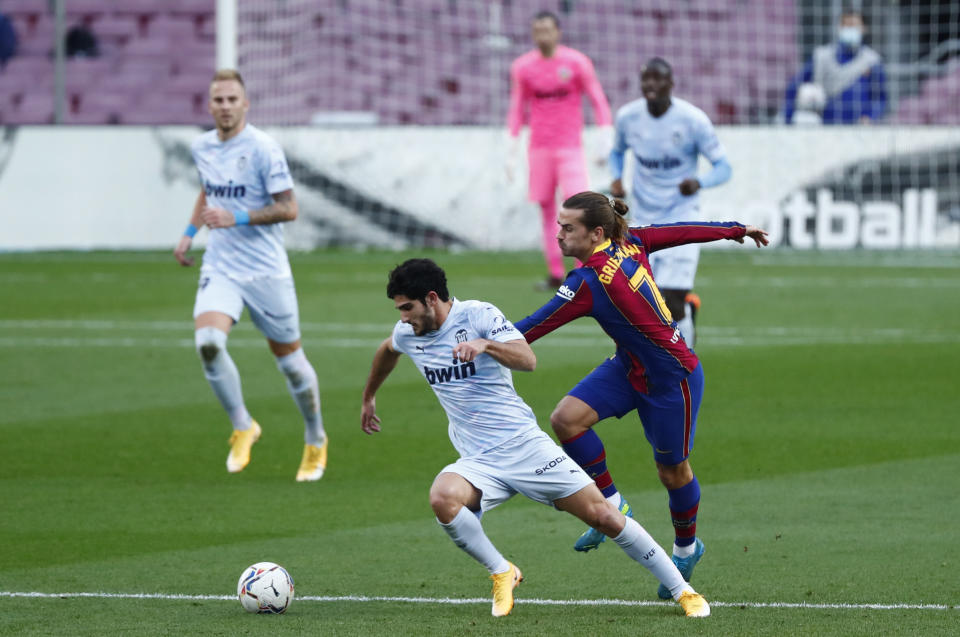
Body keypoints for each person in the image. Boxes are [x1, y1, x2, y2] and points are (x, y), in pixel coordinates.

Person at [360, 258, 710, 618]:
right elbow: (388, 350)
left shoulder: (478, 315)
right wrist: (369, 396)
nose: (403, 317)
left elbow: (527, 359)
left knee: (603, 516)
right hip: (478, 460)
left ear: (432, 298)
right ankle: (502, 571)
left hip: (526, 448)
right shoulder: (408, 333)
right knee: (443, 499)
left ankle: (683, 591)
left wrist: (486, 346)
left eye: (407, 307)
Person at [514, 191, 768, 600]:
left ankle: (686, 548)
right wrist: (735, 230)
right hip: (628, 367)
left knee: (672, 472)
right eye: (558, 225)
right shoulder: (629, 240)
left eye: (567, 228)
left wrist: (478, 339)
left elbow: (530, 328)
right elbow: (683, 231)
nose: (558, 234)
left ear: (596, 233)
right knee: (566, 419)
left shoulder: (589, 281)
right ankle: (612, 506)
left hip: (672, 379)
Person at [173, 69, 328, 482]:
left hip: (265, 271)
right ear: (210, 106)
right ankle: (243, 425)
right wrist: (190, 233)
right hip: (221, 266)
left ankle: (315, 437)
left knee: (292, 365)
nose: (224, 106)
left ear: (245, 104)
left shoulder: (263, 149)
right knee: (207, 342)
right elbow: (209, 189)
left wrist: (235, 217)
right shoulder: (201, 147)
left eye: (231, 100)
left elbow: (289, 208)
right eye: (217, 100)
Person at [610, 57, 732, 349]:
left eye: (657, 79)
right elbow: (616, 152)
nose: (650, 84)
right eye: (646, 79)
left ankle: (685, 363)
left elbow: (724, 167)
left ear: (671, 84)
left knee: (672, 301)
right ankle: (642, 361)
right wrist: (616, 178)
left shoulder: (693, 120)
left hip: (681, 218)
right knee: (638, 301)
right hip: (641, 220)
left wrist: (700, 182)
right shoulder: (628, 117)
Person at [507, 10, 612, 290]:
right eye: (537, 30)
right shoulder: (523, 67)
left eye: (547, 30)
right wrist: (511, 146)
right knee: (546, 209)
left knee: (578, 209)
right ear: (533, 34)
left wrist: (605, 135)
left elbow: (597, 99)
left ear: (557, 32)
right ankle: (555, 272)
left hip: (570, 149)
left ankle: (584, 271)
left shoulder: (576, 63)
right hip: (539, 149)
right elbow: (517, 108)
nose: (542, 36)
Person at [784, 9, 887, 125]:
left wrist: (870, 117)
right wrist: (788, 118)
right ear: (839, 28)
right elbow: (794, 86)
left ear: (864, 29)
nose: (849, 29)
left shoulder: (872, 61)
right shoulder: (821, 56)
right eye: (845, 25)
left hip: (858, 127)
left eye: (853, 25)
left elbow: (880, 99)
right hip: (823, 125)